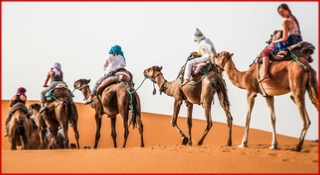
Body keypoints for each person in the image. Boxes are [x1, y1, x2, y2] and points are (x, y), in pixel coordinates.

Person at [258, 3, 302, 83]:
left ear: (288, 10)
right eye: (280, 12)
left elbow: (284, 38)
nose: (281, 13)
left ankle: (265, 74)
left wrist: (274, 41)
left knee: (265, 52)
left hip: (291, 41)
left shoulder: (286, 22)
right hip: (298, 40)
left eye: (283, 11)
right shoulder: (293, 19)